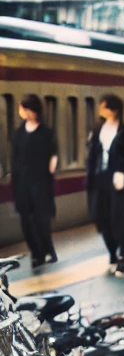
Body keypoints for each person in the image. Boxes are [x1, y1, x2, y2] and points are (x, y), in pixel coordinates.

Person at [85, 93, 124, 277]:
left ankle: (122, 257)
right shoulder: (97, 129)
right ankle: (112, 253)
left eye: (104, 106)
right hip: (100, 180)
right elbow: (91, 158)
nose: (101, 109)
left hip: (119, 183)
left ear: (114, 109)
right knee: (102, 219)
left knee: (120, 220)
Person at [12, 94, 58, 269]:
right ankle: (37, 252)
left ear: (30, 110)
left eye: (22, 107)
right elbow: (15, 160)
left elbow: (53, 154)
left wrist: (53, 163)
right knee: (26, 221)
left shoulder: (46, 132)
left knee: (41, 221)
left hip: (41, 183)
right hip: (22, 184)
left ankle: (45, 251)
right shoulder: (19, 133)